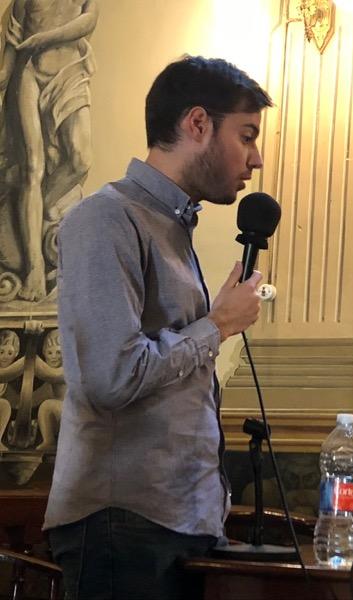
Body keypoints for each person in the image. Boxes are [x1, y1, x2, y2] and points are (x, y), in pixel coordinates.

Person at [43, 56, 273, 599]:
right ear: (198, 124)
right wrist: (216, 325)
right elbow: (110, 377)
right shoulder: (106, 218)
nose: (256, 158)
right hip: (122, 522)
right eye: (246, 136)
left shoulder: (172, 227)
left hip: (178, 521)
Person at [0, 0, 98, 302]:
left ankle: (33, 213)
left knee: (81, 160)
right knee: (33, 167)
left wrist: (43, 38)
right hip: (30, 75)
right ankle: (34, 266)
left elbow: (88, 22)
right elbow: (6, 67)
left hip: (71, 73)